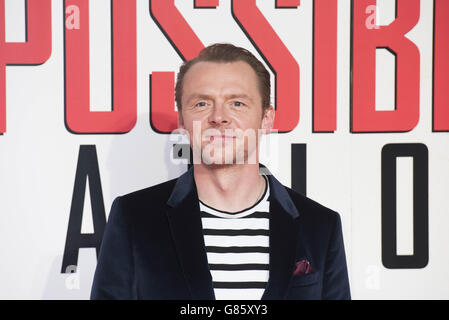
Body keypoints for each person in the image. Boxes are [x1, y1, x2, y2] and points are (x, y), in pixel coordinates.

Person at [90, 43, 351, 300]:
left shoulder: (320, 226)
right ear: (182, 120)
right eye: (202, 104)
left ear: (266, 119)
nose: (219, 117)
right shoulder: (134, 218)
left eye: (237, 103)